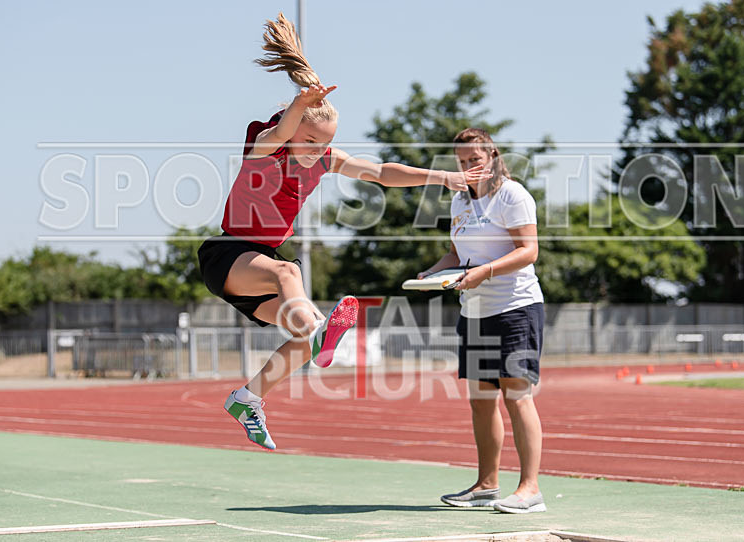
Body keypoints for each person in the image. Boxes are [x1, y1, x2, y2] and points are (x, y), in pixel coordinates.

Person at [198, 14, 490, 451]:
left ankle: (249, 398)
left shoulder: (323, 159)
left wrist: (441, 177)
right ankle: (319, 332)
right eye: (311, 141)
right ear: (295, 129)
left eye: (326, 144)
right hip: (229, 254)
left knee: (303, 336)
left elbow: (381, 172)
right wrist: (300, 104)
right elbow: (280, 129)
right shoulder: (266, 148)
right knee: (288, 275)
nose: (319, 152)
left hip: (258, 261)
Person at [419, 128, 545, 514]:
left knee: (517, 395)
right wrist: (430, 274)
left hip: (515, 308)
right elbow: (456, 254)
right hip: (473, 311)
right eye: (461, 162)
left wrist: (485, 272)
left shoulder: (512, 194)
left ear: (491, 155)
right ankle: (487, 485)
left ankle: (530, 490)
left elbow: (529, 251)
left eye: (474, 159)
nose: (468, 167)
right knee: (481, 401)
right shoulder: (458, 201)